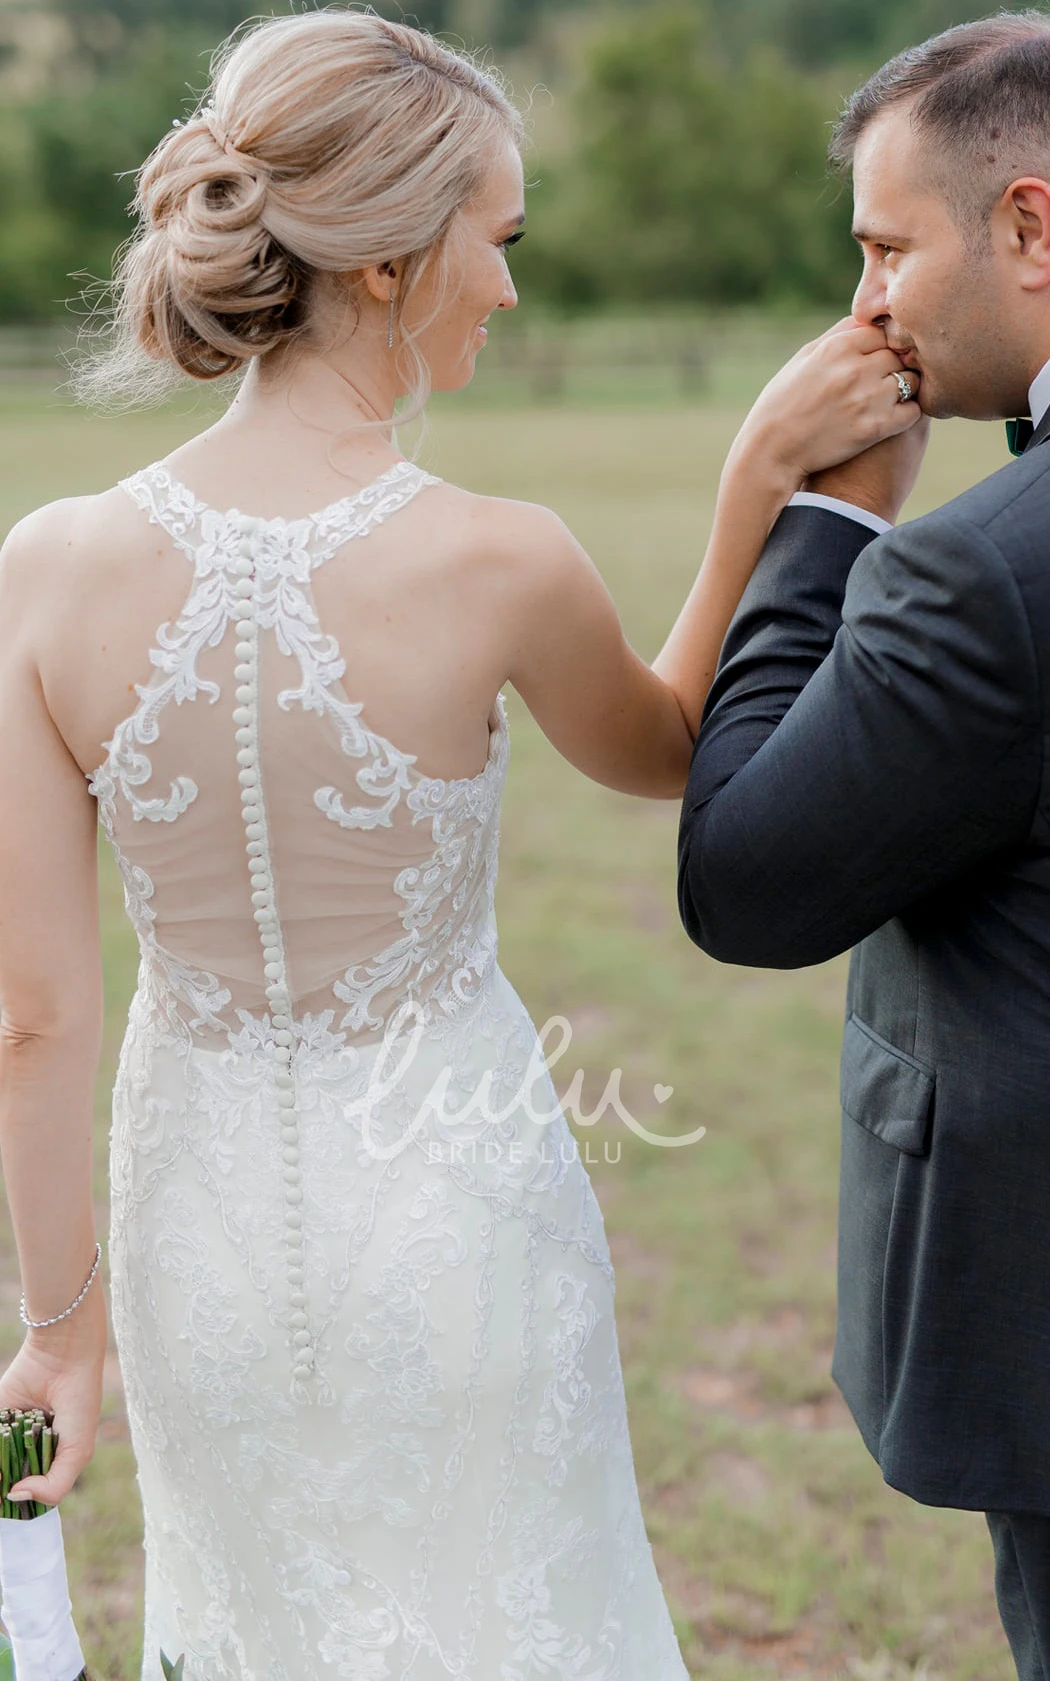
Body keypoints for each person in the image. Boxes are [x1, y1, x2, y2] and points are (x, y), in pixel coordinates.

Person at [0, 8, 919, 1677]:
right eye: (492, 243)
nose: (505, 286)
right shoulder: (501, 560)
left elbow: (36, 1019)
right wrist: (750, 495)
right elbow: (667, 753)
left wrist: (58, 1339)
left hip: (191, 1226)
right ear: (386, 260)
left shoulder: (46, 567)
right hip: (451, 1202)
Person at [678, 12, 1050, 1678]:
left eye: (887, 246)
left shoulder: (976, 575)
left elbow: (750, 881)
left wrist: (820, 522)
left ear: (1028, 228)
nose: (866, 306)